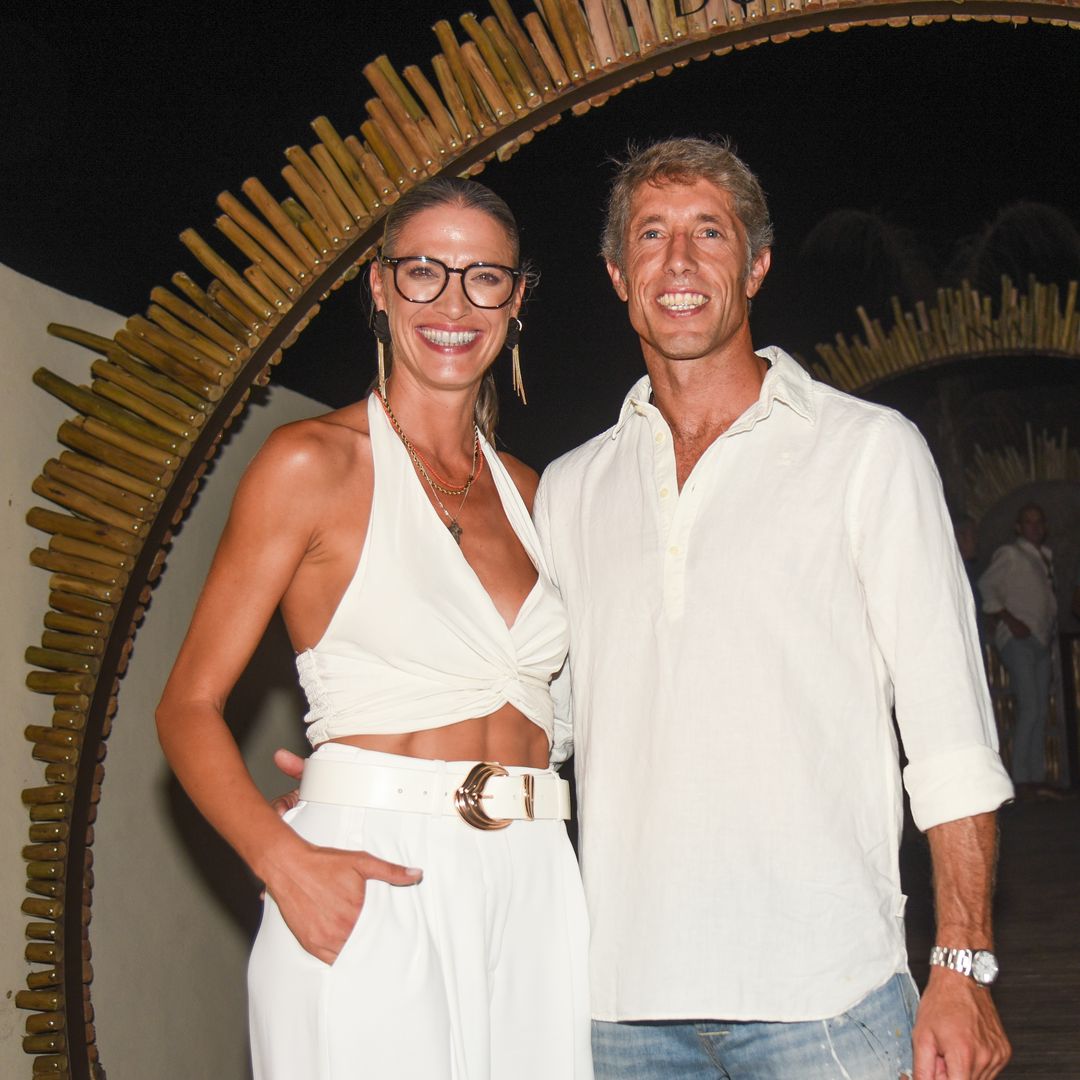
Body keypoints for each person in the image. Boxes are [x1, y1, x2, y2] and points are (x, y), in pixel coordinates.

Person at [532, 138, 1015, 1079]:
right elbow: (541, 728)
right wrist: (385, 774)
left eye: (708, 233)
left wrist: (961, 964)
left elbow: (951, 734)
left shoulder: (868, 451)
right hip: (618, 1010)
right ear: (616, 274)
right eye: (652, 235)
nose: (678, 263)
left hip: (825, 1000)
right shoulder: (570, 487)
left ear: (754, 265)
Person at [156, 177, 592, 1080]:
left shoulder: (537, 494)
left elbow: (576, 711)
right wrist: (282, 859)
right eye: (424, 271)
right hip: (371, 869)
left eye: (485, 278)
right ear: (379, 284)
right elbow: (188, 705)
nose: (452, 303)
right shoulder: (310, 463)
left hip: (538, 880)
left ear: (518, 301)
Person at [979, 502, 1058, 794]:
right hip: (1018, 639)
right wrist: (1010, 620)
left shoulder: (1045, 558)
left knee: (1038, 707)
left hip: (1040, 639)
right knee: (1030, 705)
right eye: (1028, 522)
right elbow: (987, 585)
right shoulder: (1010, 554)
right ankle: (1021, 779)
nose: (1034, 526)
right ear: (1018, 528)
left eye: (1039, 522)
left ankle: (1034, 777)